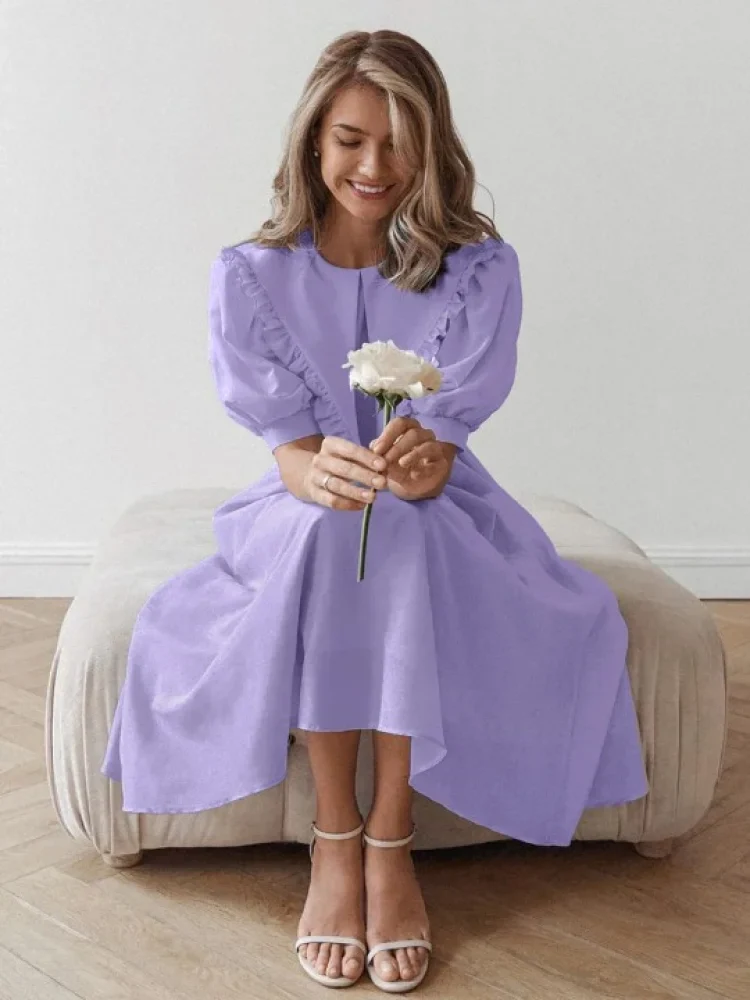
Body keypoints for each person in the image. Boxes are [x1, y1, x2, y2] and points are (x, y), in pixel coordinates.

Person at [100, 29, 649, 994]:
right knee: (338, 521)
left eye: (399, 143)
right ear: (313, 140)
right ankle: (336, 835)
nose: (373, 166)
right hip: (299, 504)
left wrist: (428, 461)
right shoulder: (250, 273)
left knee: (391, 520)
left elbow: (447, 437)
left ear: (431, 148)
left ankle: (386, 837)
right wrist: (319, 475)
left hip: (441, 507)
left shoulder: (478, 269)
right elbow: (290, 451)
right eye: (351, 139)